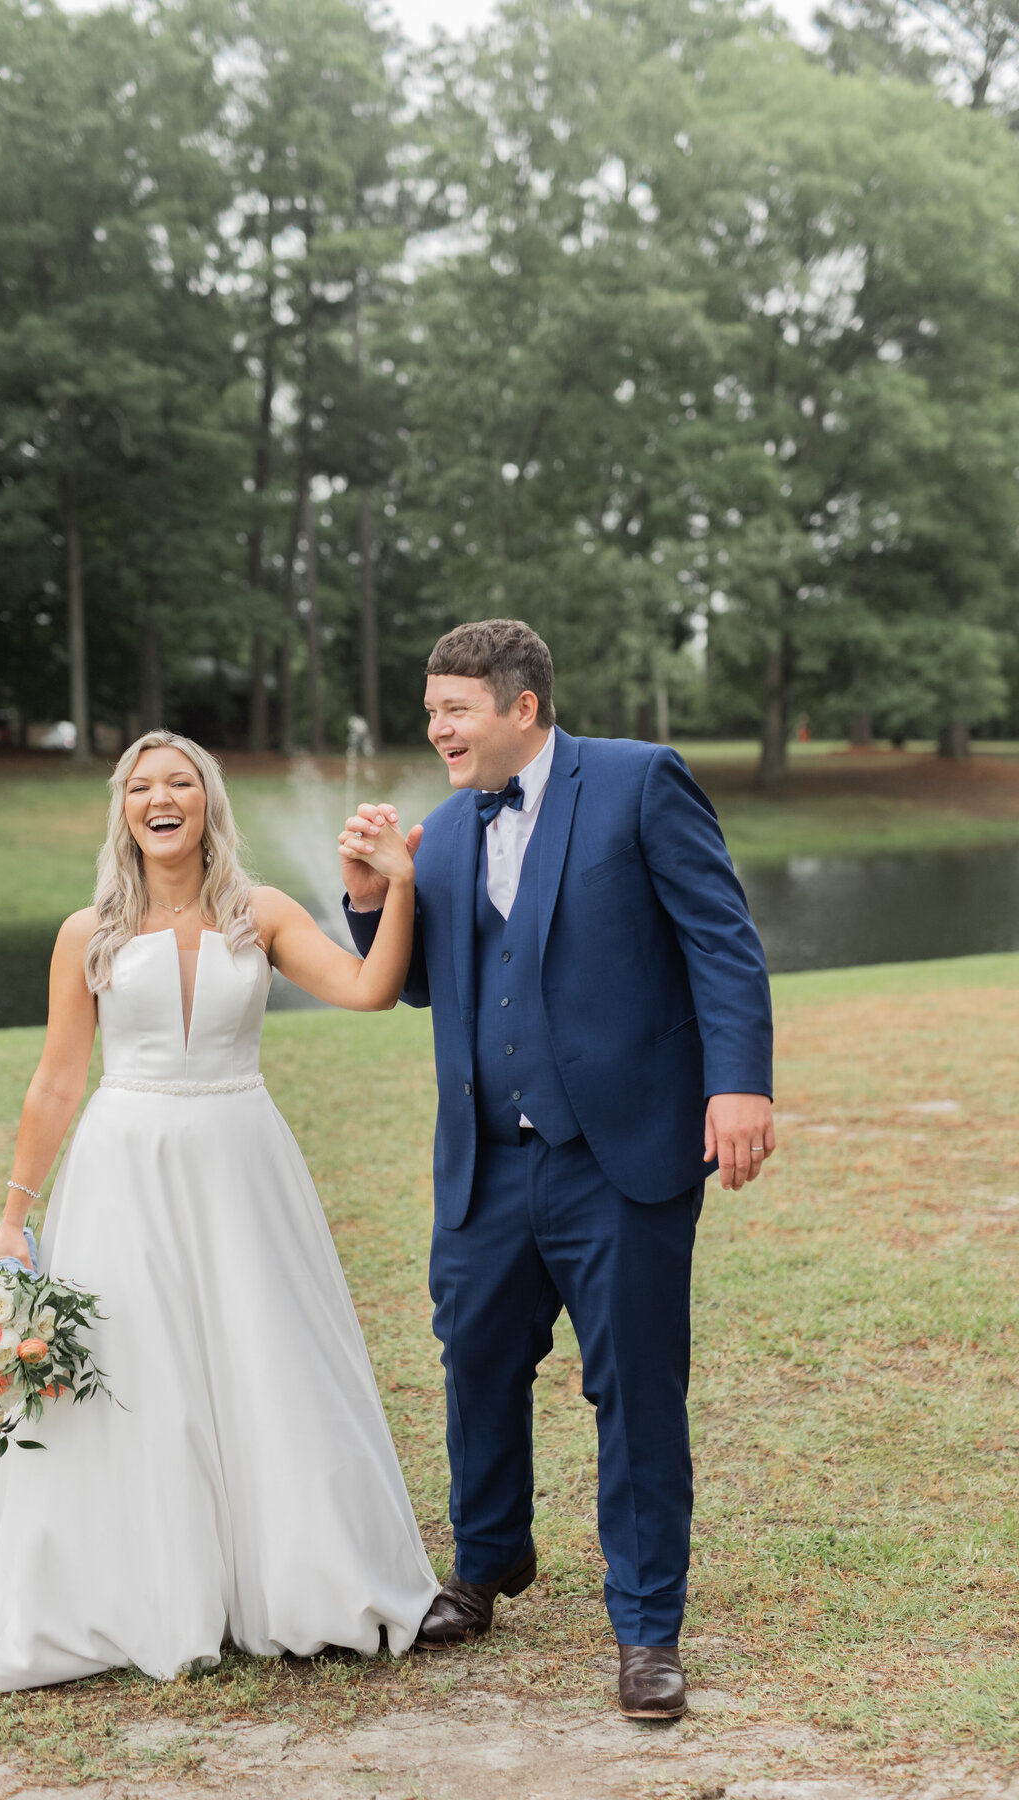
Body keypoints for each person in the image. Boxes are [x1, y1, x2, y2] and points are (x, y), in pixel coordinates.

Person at [0, 730, 437, 1692]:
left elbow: (371, 990)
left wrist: (395, 885)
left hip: (243, 1154)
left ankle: (293, 1577)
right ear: (125, 810)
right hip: (125, 1165)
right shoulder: (90, 932)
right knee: (133, 1365)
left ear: (208, 803)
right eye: (141, 786)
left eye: (180, 782)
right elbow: (57, 1081)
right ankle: (138, 1585)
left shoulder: (264, 912)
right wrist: (11, 1217)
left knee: (267, 1353)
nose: (161, 798)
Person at [341, 620, 774, 1720]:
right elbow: (423, 987)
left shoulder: (635, 784)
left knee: (632, 1388)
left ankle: (647, 1632)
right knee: (473, 1359)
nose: (435, 727)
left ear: (521, 706)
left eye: (454, 708)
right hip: (486, 1163)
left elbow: (720, 938)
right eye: (431, 708)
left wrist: (741, 1085)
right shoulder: (440, 833)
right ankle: (487, 1563)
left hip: (619, 1155)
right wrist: (368, 894)